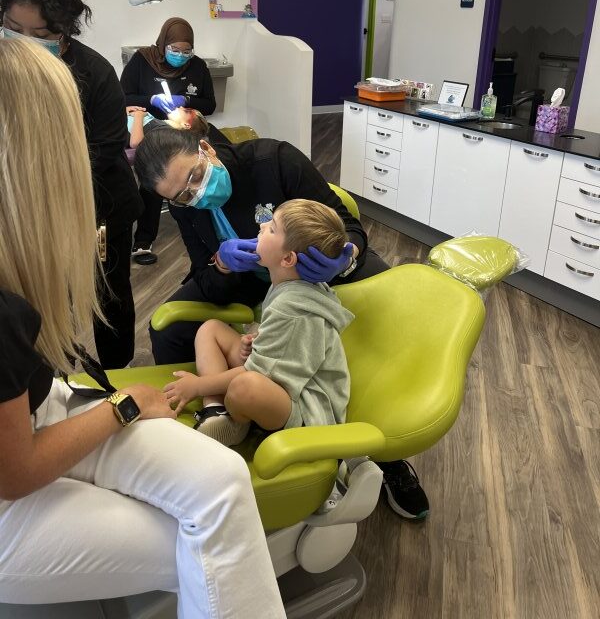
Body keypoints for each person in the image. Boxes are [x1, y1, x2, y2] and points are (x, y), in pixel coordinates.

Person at [0, 37, 285, 616]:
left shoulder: (274, 165)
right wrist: (125, 405)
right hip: (17, 468)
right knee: (210, 538)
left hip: (40, 409)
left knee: (225, 482)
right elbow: (15, 470)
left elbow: (337, 237)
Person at [134, 127, 430, 521]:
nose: (195, 195)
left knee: (385, 305)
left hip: (309, 279)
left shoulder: (275, 162)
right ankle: (213, 414)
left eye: (194, 178)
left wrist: (345, 258)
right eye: (181, 197)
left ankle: (387, 458)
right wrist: (222, 264)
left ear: (205, 149)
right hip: (261, 287)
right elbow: (202, 276)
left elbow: (351, 228)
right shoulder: (190, 210)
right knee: (169, 328)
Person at [0, 0, 142, 370]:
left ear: (65, 30)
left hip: (101, 208)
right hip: (28, 214)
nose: (25, 43)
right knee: (43, 300)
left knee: (109, 298)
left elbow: (106, 150)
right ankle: (51, 381)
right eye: (14, 28)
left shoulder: (95, 74)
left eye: (41, 35)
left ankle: (115, 381)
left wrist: (39, 176)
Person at [164, 199, 354, 447]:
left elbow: (258, 371)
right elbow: (286, 347)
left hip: (304, 406)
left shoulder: (292, 307)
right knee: (211, 329)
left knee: (245, 387)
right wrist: (256, 341)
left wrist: (197, 386)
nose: (263, 226)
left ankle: (235, 418)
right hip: (281, 379)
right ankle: (216, 411)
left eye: (272, 228)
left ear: (287, 259)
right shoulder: (287, 283)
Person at [121, 17, 216, 266]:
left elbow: (210, 104)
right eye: (175, 50)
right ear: (163, 44)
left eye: (187, 51)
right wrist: (150, 100)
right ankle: (143, 240)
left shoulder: (197, 66)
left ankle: (213, 229)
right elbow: (123, 96)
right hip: (152, 129)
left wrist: (185, 100)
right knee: (157, 173)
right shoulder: (142, 61)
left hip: (185, 127)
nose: (181, 56)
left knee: (217, 154)